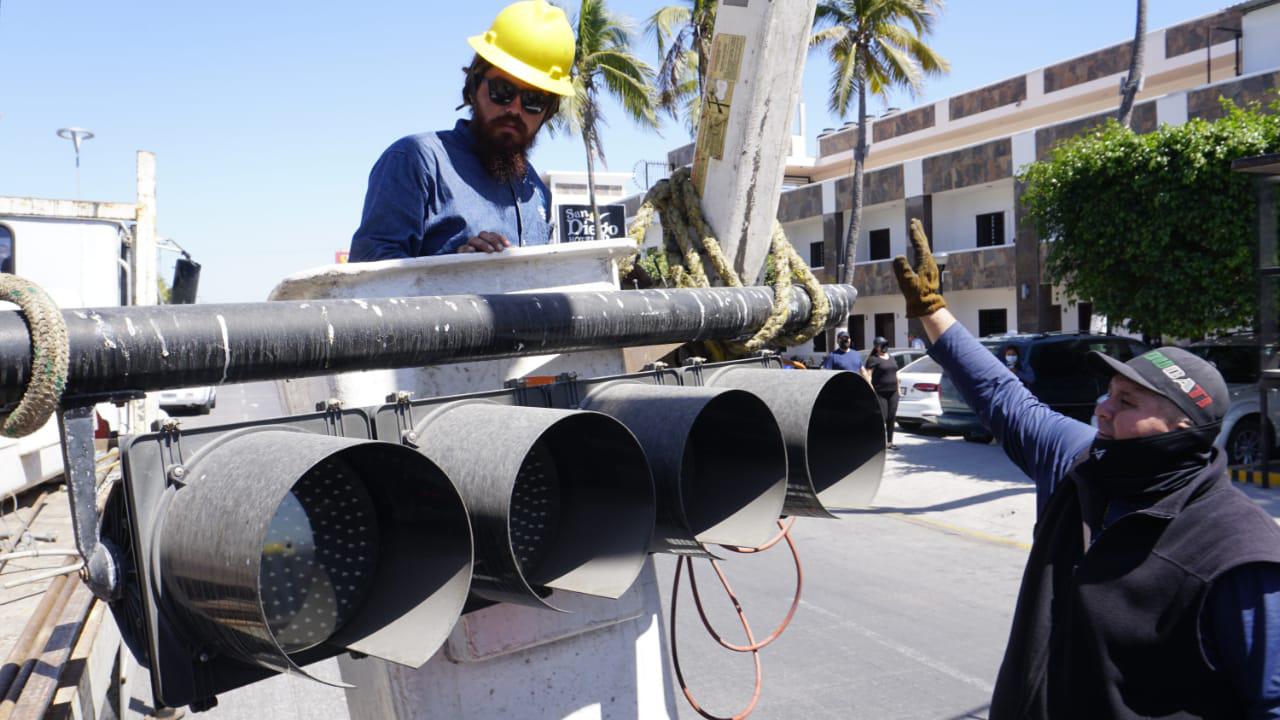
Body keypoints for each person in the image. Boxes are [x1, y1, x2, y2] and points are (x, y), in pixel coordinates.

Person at [892, 218, 1280, 718]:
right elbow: (1002, 395)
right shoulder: (1080, 464)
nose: (1102, 408)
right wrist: (933, 311)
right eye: (1108, 393)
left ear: (1181, 426)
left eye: (1126, 401)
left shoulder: (1238, 553)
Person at [348, 0, 574, 261]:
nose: (514, 108)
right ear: (474, 84)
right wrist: (454, 269)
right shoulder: (417, 161)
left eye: (534, 100)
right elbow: (369, 279)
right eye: (502, 90)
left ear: (548, 111)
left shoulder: (536, 192)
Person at [864, 336, 901, 450]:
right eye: (882, 345)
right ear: (877, 347)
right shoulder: (873, 359)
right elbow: (868, 376)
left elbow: (896, 374)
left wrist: (898, 389)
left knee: (891, 417)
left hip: (893, 392)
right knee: (883, 417)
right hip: (880, 392)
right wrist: (871, 389)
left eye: (886, 344)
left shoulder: (891, 357)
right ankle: (876, 441)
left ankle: (889, 442)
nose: (885, 347)